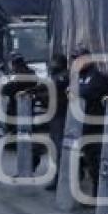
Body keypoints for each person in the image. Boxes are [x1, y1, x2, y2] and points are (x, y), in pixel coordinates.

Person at [74, 48, 108, 197]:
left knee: (96, 162)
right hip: (82, 125)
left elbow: (87, 93)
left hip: (96, 126)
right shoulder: (79, 76)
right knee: (85, 159)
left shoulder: (96, 77)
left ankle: (98, 194)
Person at [42, 54, 69, 191]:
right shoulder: (58, 76)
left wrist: (40, 94)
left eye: (54, 62)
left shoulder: (62, 77)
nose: (51, 65)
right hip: (56, 115)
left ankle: (60, 178)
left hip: (60, 115)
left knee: (59, 149)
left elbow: (51, 89)